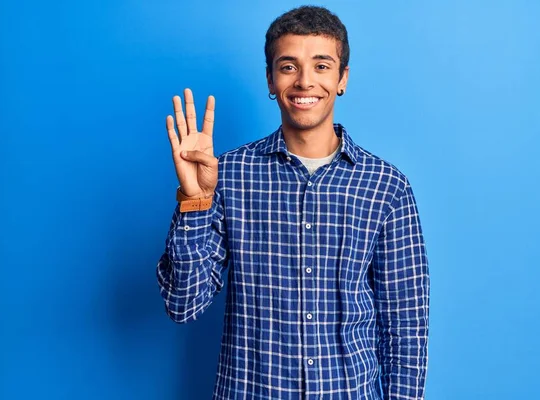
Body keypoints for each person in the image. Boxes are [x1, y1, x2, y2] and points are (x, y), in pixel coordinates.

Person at [157, 5, 429, 400]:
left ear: (342, 79)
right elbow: (183, 305)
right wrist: (195, 201)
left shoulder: (387, 187)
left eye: (321, 66)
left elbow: (405, 330)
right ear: (270, 79)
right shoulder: (226, 175)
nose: (305, 82)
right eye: (288, 66)